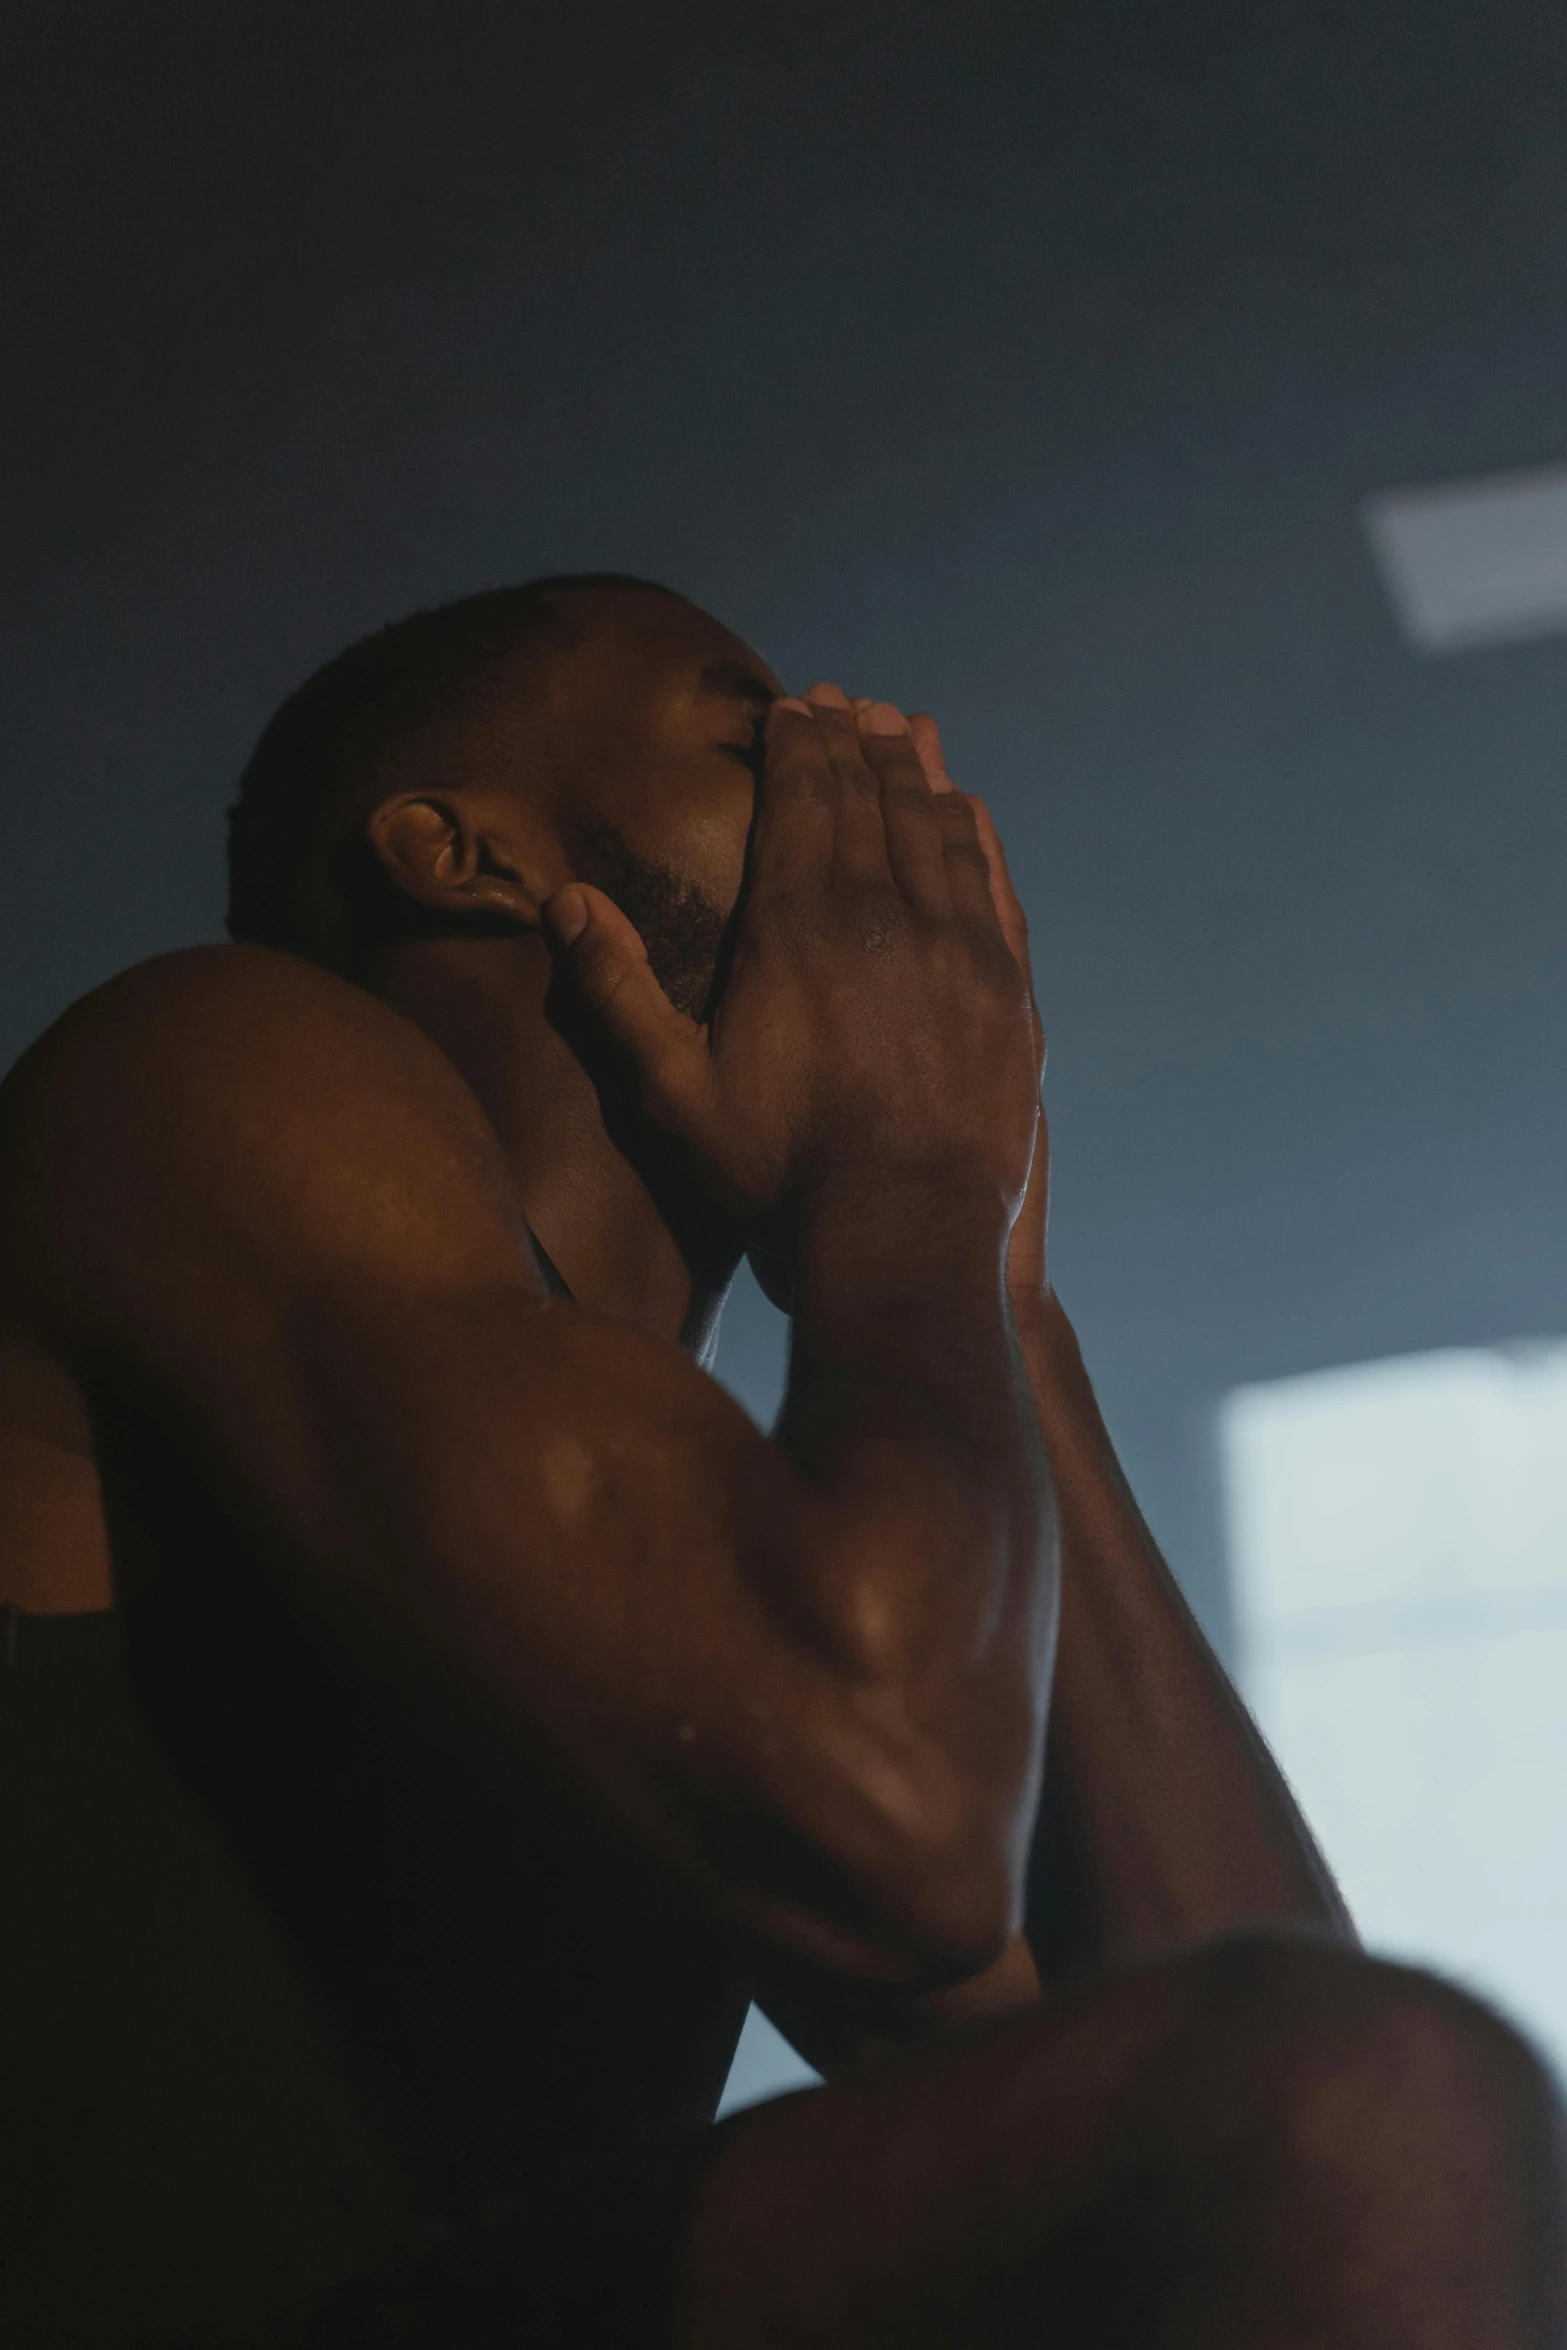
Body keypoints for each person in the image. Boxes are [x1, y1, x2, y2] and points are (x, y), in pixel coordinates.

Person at [0, 573, 1559, 2350]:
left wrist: (995, 1296)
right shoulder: (222, 1054)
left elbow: (1249, 2095)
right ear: (465, 854)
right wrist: (904, 1185)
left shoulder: (726, 1527)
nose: (858, 761)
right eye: (753, 727)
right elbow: (889, 1800)